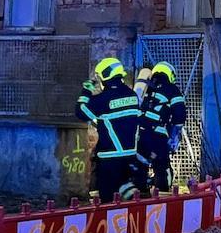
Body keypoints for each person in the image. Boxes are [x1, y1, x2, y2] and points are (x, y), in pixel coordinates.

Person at [78, 56, 145, 202]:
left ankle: (110, 222)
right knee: (124, 192)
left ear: (105, 76)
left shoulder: (103, 99)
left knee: (108, 199)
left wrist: (86, 92)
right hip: (130, 155)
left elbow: (81, 112)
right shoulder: (132, 95)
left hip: (109, 157)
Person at [137, 62, 188, 195]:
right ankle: (163, 198)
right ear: (170, 74)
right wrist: (174, 135)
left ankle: (140, 197)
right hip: (157, 135)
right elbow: (179, 115)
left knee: (140, 166)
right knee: (162, 168)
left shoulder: (145, 88)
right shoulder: (172, 89)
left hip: (140, 133)